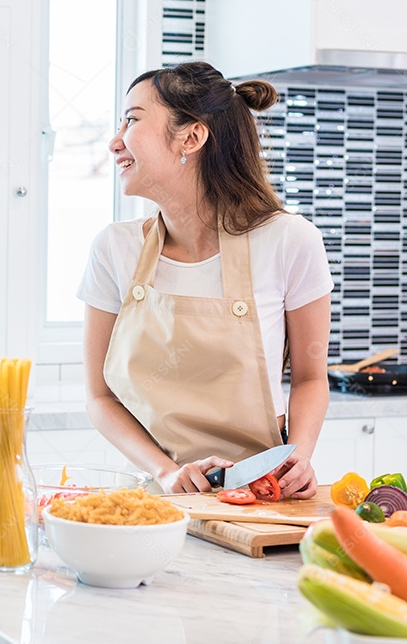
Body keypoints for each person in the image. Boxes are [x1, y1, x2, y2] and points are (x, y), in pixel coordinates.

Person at [78, 61, 333, 498]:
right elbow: (100, 398)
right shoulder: (114, 250)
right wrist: (165, 472)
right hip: (156, 497)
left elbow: (311, 378)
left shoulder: (290, 239)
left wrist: (300, 455)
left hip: (261, 494)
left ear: (192, 137)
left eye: (133, 120)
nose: (114, 141)